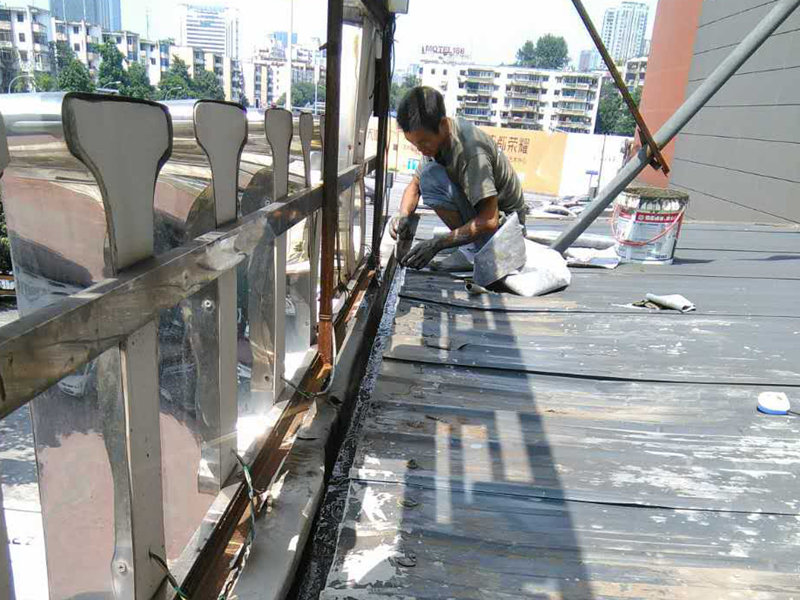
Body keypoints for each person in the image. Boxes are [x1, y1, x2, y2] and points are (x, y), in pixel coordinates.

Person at [390, 86, 527, 270]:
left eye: (423, 142)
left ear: (443, 125)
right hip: (491, 225)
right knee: (428, 175)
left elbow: (489, 220)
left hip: (507, 236)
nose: (420, 149)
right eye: (415, 144)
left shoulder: (471, 152)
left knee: (430, 177)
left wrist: (437, 244)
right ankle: (471, 245)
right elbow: (414, 186)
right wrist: (404, 216)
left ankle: (474, 250)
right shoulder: (437, 144)